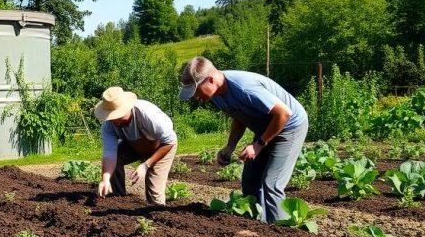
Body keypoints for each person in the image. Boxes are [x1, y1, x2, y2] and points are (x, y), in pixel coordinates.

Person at [178, 56, 308, 223]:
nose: (196, 97)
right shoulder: (216, 94)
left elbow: (284, 114)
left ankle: (283, 234)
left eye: (196, 91)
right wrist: (230, 146)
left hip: (290, 127)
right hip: (266, 129)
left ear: (210, 80)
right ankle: (256, 226)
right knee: (250, 181)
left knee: (272, 184)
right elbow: (239, 117)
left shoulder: (244, 87)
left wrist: (259, 144)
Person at [94, 86, 178, 205]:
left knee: (154, 193)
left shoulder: (148, 116)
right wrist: (105, 179)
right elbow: (110, 155)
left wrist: (146, 165)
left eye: (118, 116)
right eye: (112, 117)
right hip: (133, 145)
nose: (116, 121)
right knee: (117, 158)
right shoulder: (109, 126)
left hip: (162, 146)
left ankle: (157, 213)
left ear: (127, 108)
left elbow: (170, 141)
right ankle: (118, 200)